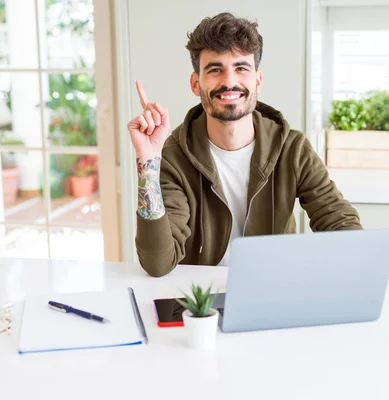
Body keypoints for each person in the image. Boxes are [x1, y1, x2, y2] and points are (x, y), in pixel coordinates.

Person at [127, 12, 362, 277]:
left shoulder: (292, 148)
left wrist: (352, 262)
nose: (229, 81)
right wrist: (148, 160)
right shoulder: (173, 155)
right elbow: (158, 263)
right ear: (196, 83)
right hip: (201, 300)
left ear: (257, 80)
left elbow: (337, 220)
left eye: (241, 67)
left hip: (274, 288)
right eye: (215, 69)